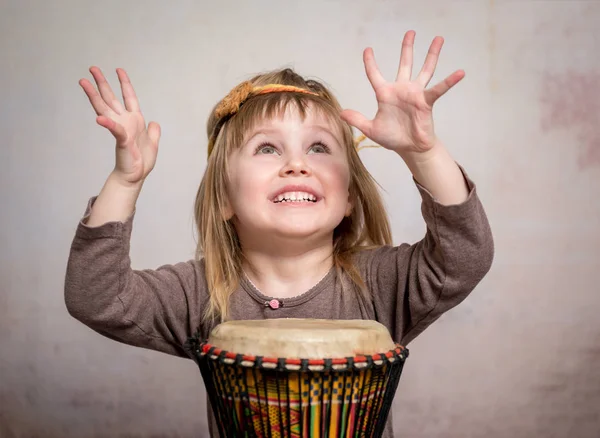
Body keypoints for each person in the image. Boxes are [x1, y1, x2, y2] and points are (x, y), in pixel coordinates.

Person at [65, 30, 494, 437]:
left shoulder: (380, 284)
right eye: (267, 148)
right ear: (223, 200)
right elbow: (97, 298)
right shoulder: (200, 293)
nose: (296, 164)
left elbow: (463, 258)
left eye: (319, 147)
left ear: (349, 198)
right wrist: (124, 183)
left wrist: (424, 153)